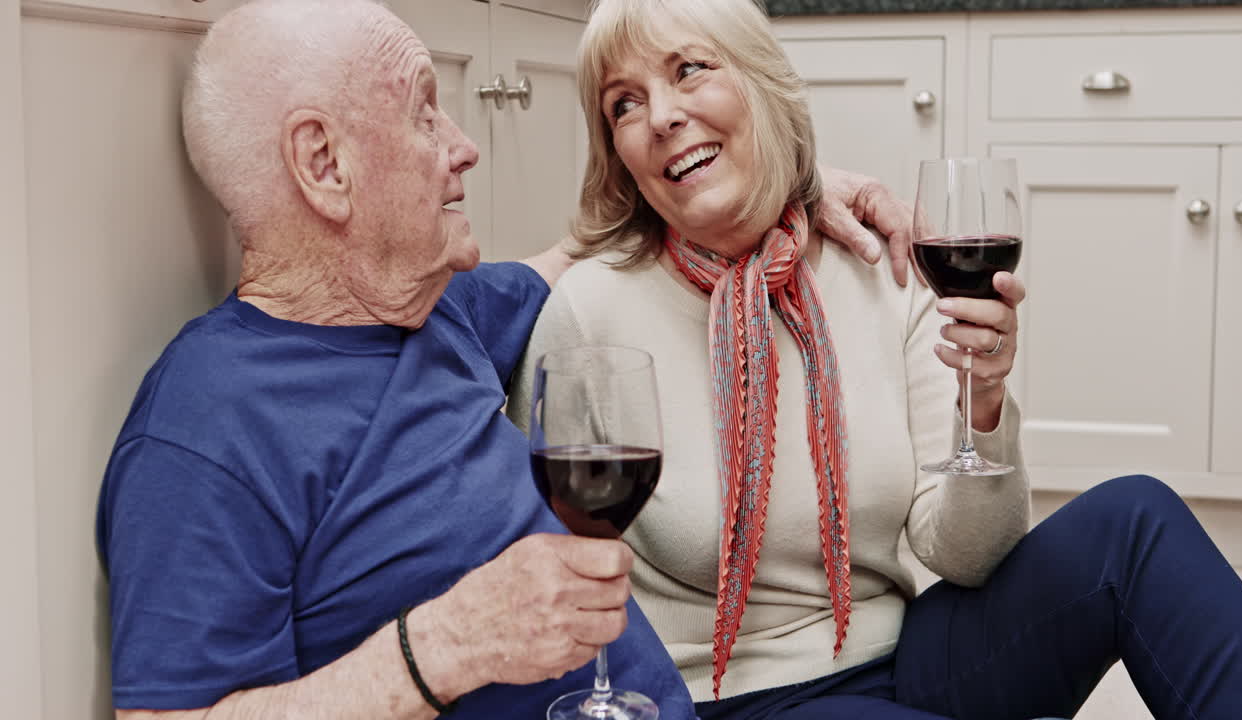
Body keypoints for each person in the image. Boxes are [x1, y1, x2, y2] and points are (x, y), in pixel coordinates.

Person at [94, 1, 918, 718]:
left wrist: (789, 185)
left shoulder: (438, 308)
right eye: (423, 113)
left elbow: (589, 245)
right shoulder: (206, 427)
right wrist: (440, 650)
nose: (464, 146)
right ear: (324, 165)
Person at [508, 0, 1242, 718]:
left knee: (1136, 522)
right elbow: (538, 567)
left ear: (763, 86)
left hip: (902, 648)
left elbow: (966, 556)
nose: (664, 116)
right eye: (624, 103)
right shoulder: (591, 310)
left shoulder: (875, 264)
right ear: (618, 152)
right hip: (738, 695)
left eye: (688, 70)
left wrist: (983, 403)